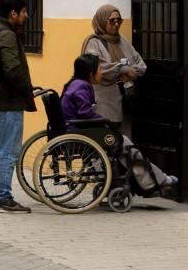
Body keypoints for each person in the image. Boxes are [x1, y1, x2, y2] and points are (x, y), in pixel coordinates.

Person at [61, 52, 177, 198]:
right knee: (127, 146)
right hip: (79, 131)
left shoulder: (75, 84)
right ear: (90, 73)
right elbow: (85, 113)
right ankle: (156, 181)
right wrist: (104, 121)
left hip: (76, 129)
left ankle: (149, 180)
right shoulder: (81, 87)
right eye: (99, 69)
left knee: (122, 145)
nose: (101, 72)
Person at [0, 0, 37, 213]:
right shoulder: (6, 35)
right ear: (13, 13)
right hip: (8, 103)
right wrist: (27, 91)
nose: (26, 16)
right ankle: (3, 198)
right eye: (24, 12)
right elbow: (12, 69)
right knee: (8, 151)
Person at [81, 4, 146, 130]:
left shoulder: (122, 40)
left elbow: (140, 63)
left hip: (125, 97)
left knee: (123, 137)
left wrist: (134, 71)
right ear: (101, 21)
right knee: (106, 137)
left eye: (119, 20)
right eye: (112, 21)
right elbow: (97, 66)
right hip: (103, 101)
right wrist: (123, 69)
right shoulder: (93, 43)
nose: (116, 24)